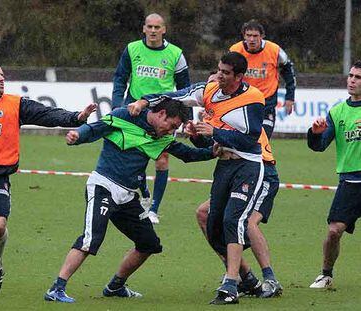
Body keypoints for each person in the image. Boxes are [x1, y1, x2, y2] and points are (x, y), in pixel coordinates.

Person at [44, 98, 218, 303]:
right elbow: (94, 129)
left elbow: (188, 154)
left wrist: (213, 152)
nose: (171, 131)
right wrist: (77, 135)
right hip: (103, 187)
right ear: (161, 114)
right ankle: (57, 288)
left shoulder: (161, 137)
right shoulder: (124, 116)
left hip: (127, 196)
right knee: (91, 239)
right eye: (171, 126)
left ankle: (115, 286)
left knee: (149, 243)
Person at [0, 60, 97, 298]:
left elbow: (47, 114)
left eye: (2, 75)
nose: (2, 78)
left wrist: (76, 118)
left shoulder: (15, 104)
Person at [129, 51, 265, 305]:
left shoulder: (253, 99)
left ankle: (230, 285)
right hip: (224, 166)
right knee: (213, 227)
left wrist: (216, 132)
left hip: (247, 166)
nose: (219, 75)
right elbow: (173, 96)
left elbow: (250, 139)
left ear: (238, 76)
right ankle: (249, 279)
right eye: (218, 69)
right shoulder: (209, 90)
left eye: (225, 72)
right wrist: (146, 103)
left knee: (231, 220)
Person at [112, 13, 191, 224]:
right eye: (150, 27)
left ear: (164, 29)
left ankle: (153, 209)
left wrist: (187, 119)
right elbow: (120, 77)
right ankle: (143, 190)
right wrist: (116, 104)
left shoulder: (176, 54)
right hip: (135, 111)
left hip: (165, 114)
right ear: (144, 28)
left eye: (157, 27)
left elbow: (186, 89)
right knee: (131, 156)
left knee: (162, 159)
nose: (153, 31)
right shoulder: (132, 49)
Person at [191, 126, 282, 299]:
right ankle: (243, 276)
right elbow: (214, 146)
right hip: (236, 171)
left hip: (261, 170)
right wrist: (196, 137)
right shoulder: (219, 112)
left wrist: (214, 132)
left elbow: (239, 140)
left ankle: (270, 279)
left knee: (247, 222)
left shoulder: (243, 112)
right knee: (203, 213)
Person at [307, 60, 361, 289]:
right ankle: (326, 274)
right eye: (351, 76)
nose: (352, 80)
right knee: (333, 231)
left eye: (358, 77)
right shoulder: (337, 111)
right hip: (350, 181)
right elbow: (318, 146)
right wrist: (314, 133)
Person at [230, 19, 296, 138]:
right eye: (248, 35)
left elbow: (289, 72)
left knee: (263, 140)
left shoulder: (274, 50)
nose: (251, 39)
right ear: (244, 36)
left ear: (262, 36)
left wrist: (290, 97)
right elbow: (225, 74)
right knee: (240, 142)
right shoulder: (235, 50)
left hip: (266, 103)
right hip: (241, 103)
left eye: (255, 36)